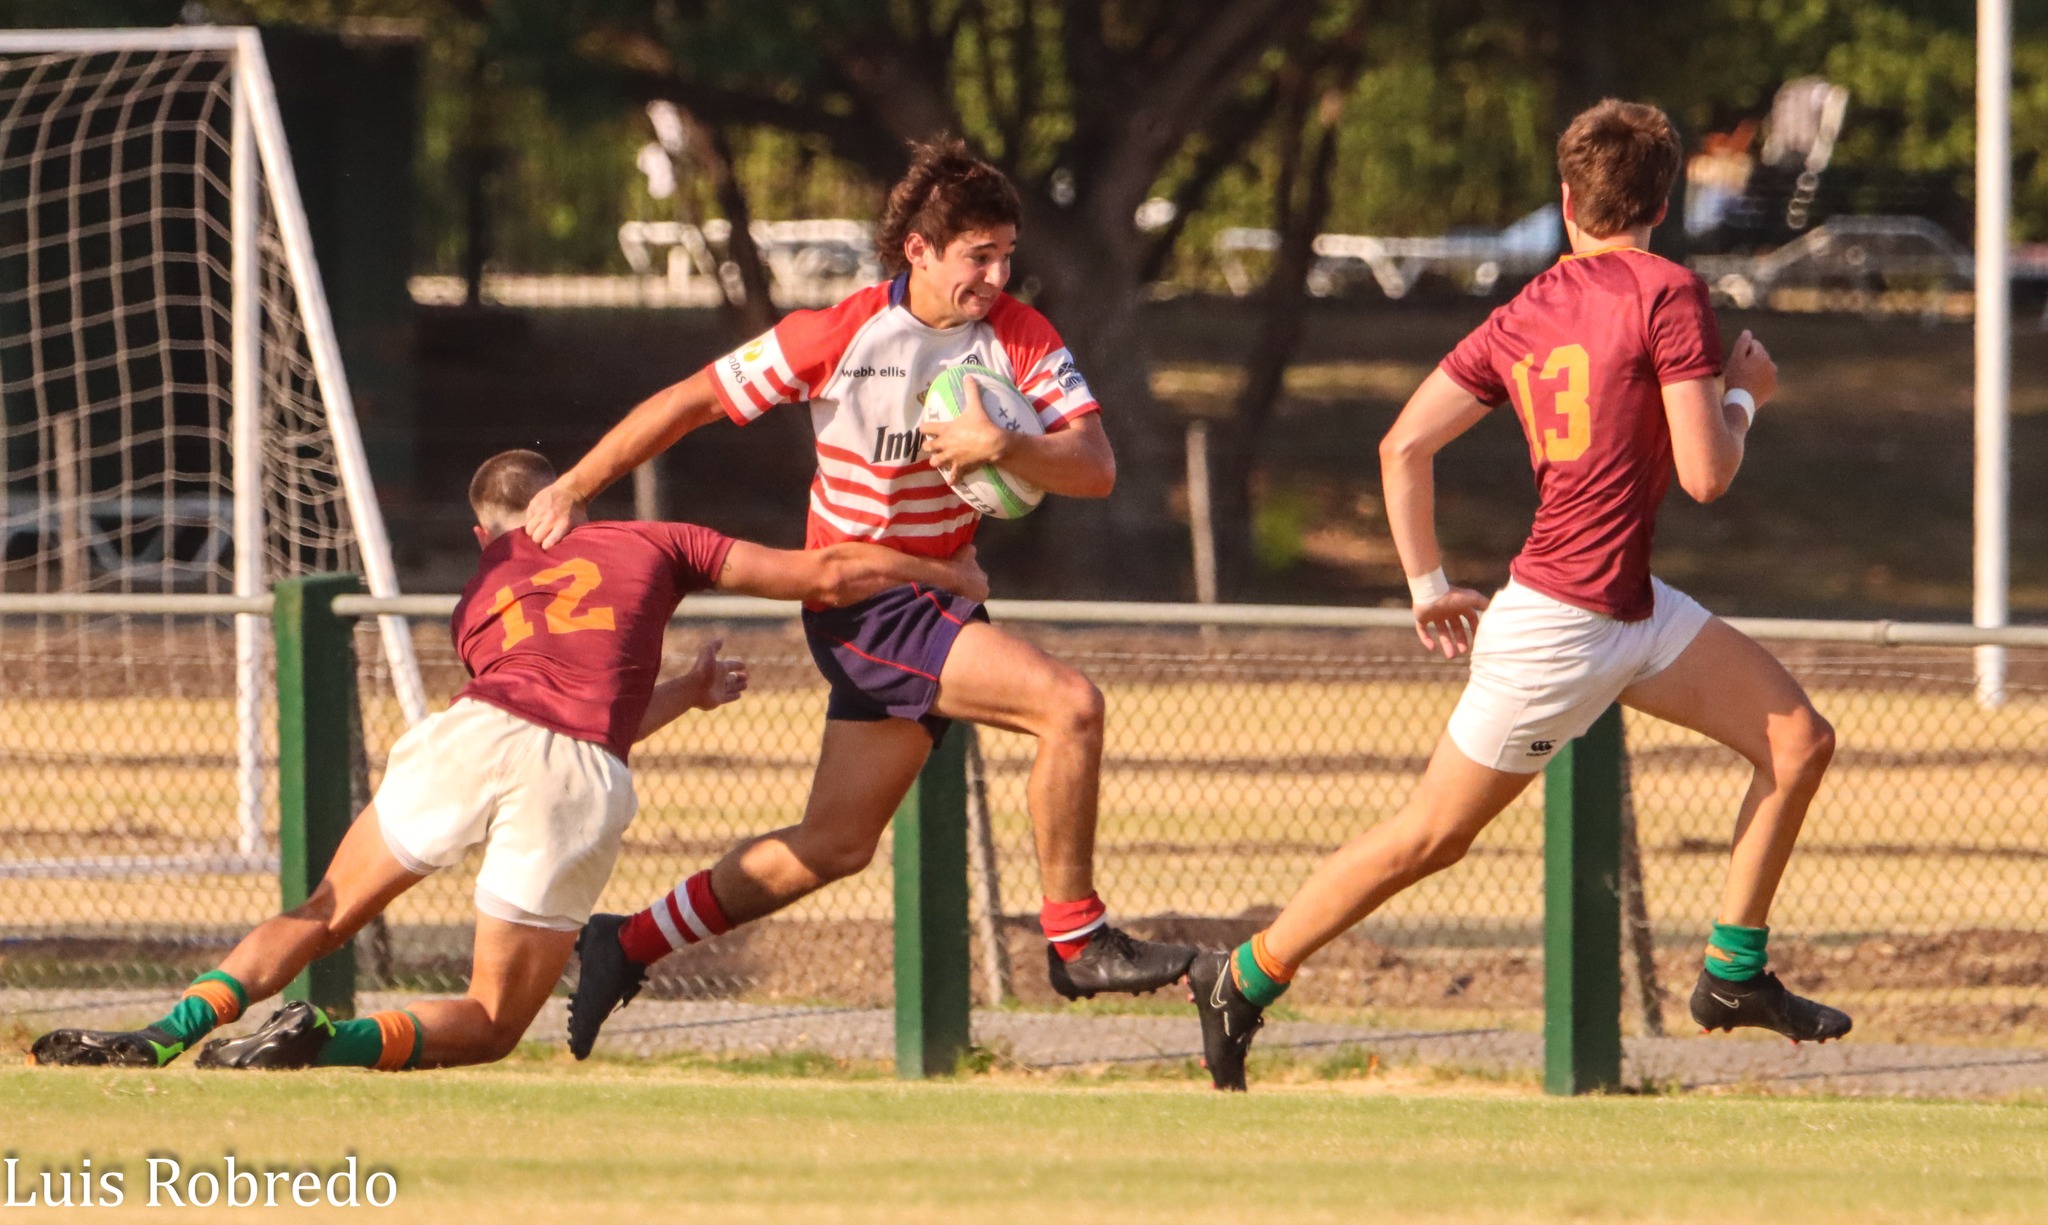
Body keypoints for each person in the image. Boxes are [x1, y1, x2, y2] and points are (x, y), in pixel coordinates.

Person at [1188, 100, 1851, 1091]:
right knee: (1430, 835)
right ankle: (1242, 974)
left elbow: (1401, 445)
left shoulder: (1524, 310)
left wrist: (1424, 584)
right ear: (1660, 202)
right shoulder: (1668, 292)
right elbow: (1706, 473)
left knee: (1796, 739)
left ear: (1564, 202)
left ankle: (1730, 975)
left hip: (1623, 606)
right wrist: (1744, 390)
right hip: (1563, 625)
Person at [523, 136, 1193, 1061]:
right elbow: (688, 401)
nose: (998, 275)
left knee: (834, 844)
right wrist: (574, 486)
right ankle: (1076, 938)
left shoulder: (1021, 336)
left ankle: (624, 939)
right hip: (864, 606)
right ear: (918, 248)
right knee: (1070, 706)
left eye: (1008, 255)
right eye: (979, 257)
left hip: (937, 602)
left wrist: (1006, 447)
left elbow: (1096, 468)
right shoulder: (836, 335)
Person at [29, 449, 986, 1071]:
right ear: (571, 497)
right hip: (576, 774)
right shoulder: (654, 540)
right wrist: (945, 573)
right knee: (491, 1023)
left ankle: (170, 1030)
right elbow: (817, 575)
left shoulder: (481, 588)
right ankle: (327, 1040)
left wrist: (682, 693)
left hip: (474, 729)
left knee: (321, 911)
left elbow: (545, 699)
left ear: (485, 533)